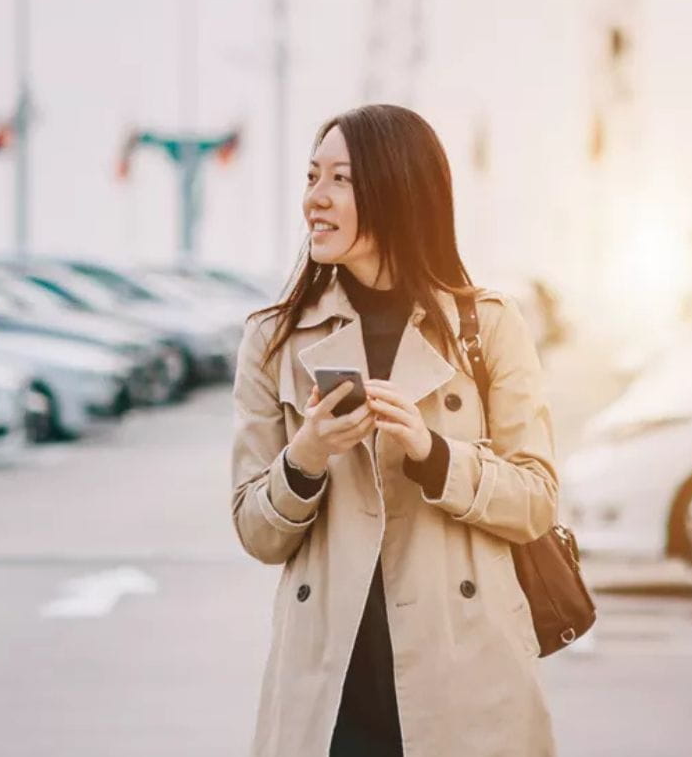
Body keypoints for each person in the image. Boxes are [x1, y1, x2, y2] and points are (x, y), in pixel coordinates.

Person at [228, 104, 561, 756]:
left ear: (398, 190)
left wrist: (434, 454)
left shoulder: (485, 327)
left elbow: (535, 500)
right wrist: (305, 457)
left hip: (463, 674)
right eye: (310, 177)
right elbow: (254, 531)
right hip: (329, 680)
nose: (314, 200)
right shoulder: (273, 339)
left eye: (340, 180)